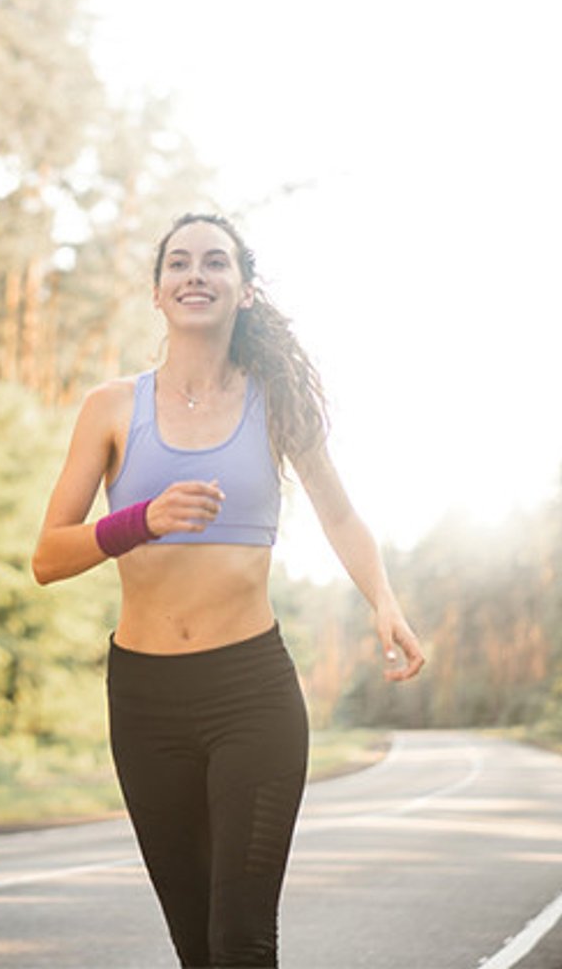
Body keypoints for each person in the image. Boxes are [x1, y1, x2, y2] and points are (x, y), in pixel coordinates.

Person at [31, 212, 425, 969]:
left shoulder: (275, 404)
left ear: (243, 291)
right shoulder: (111, 408)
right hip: (144, 700)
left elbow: (340, 515)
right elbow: (48, 556)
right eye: (179, 263)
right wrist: (142, 519)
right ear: (157, 292)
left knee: (239, 941)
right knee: (195, 947)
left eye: (216, 263)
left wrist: (386, 602)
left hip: (251, 691)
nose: (195, 275)